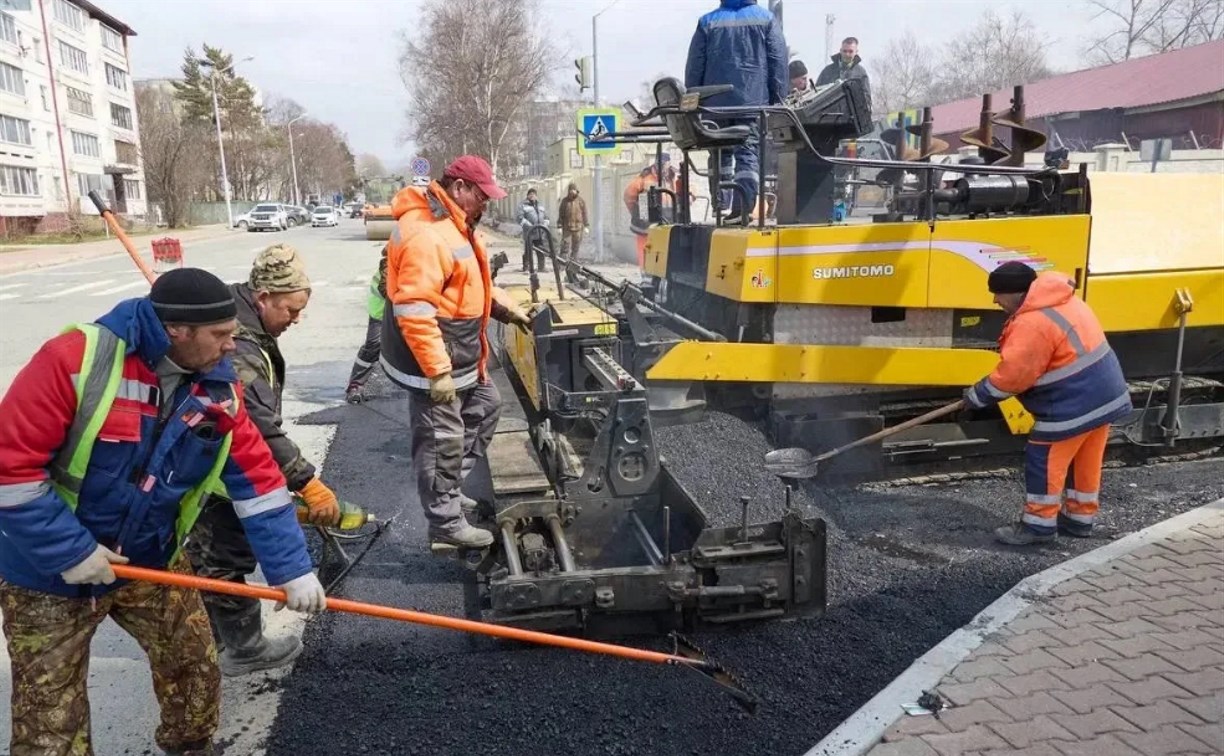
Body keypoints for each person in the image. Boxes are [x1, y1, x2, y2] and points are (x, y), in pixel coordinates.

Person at [0, 268, 325, 756]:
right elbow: (11, 472)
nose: (231, 346)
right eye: (220, 335)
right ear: (177, 331)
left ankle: (191, 748)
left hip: (150, 561)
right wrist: (70, 550)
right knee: (50, 721)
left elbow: (258, 484)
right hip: (46, 570)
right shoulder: (75, 361)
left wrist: (293, 570)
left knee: (194, 667)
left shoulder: (218, 391)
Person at [184, 246, 341, 678]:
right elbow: (256, 427)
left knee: (207, 559)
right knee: (223, 560)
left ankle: (207, 641)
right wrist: (306, 481)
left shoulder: (236, 320)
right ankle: (242, 648)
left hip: (206, 463)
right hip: (219, 475)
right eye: (290, 309)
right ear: (265, 296)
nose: (295, 318)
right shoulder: (242, 351)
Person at [379, 155, 532, 550]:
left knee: (485, 408)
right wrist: (438, 372)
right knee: (441, 437)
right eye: (482, 196)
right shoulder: (426, 235)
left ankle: (445, 490)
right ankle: (444, 522)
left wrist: (510, 310)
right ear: (460, 188)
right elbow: (414, 310)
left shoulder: (455, 226)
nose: (486, 204)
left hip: (461, 351)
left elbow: (473, 284)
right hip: (432, 360)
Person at [963, 262, 1133, 546]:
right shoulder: (1065, 302)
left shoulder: (1033, 322)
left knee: (1044, 457)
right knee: (1085, 460)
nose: (995, 300)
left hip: (1072, 402)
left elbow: (1013, 376)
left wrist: (977, 396)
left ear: (1016, 293)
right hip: (1104, 396)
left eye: (997, 294)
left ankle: (1038, 526)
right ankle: (1080, 519)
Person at [684, 0, 787, 224]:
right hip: (752, 104)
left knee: (719, 152)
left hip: (714, 103)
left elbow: (695, 67)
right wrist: (779, 102)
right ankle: (742, 209)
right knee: (747, 154)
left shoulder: (707, 22)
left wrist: (694, 100)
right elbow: (777, 63)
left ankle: (720, 206)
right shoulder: (766, 19)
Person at [345, 244, 389, 403]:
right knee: (373, 345)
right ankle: (355, 385)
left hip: (409, 311)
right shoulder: (392, 261)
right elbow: (386, 288)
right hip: (382, 311)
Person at [623, 157, 678, 268]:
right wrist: (637, 213)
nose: (663, 167)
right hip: (647, 221)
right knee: (645, 248)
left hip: (669, 220)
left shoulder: (674, 177)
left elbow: (688, 190)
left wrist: (691, 197)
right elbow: (629, 196)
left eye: (665, 164)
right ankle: (646, 273)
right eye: (661, 164)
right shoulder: (644, 178)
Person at [517, 188, 550, 273]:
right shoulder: (523, 205)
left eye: (534, 194)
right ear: (527, 196)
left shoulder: (540, 205)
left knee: (541, 250)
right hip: (529, 233)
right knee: (528, 250)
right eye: (530, 194)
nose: (532, 196)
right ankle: (526, 268)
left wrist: (545, 225)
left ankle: (541, 267)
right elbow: (519, 218)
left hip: (540, 232)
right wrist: (529, 226)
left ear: (536, 196)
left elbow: (546, 217)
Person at [557, 182, 589, 262]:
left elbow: (585, 213)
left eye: (574, 190)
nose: (572, 191)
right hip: (567, 227)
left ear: (576, 190)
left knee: (576, 248)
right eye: (571, 190)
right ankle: (562, 264)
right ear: (569, 191)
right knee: (565, 246)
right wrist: (559, 226)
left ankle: (573, 264)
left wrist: (586, 225)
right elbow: (561, 214)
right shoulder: (565, 201)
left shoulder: (581, 201)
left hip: (578, 228)